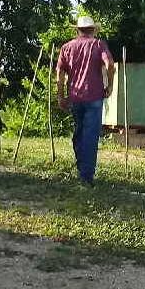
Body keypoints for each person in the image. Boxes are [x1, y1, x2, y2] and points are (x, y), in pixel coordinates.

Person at [56, 16, 115, 187]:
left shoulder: (66, 47)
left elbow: (59, 75)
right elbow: (110, 64)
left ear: (77, 30)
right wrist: (109, 85)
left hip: (75, 97)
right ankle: (86, 176)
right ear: (93, 30)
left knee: (79, 133)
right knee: (90, 136)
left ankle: (82, 168)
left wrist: (60, 96)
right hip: (95, 96)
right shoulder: (98, 45)